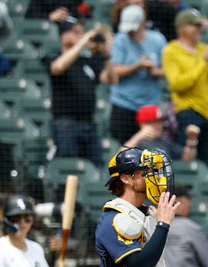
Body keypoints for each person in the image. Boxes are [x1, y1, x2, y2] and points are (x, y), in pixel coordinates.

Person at [162, 8, 208, 169]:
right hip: (187, 111)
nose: (199, 29)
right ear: (182, 28)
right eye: (195, 25)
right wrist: (202, 62)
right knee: (185, 159)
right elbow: (178, 85)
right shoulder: (171, 51)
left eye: (200, 26)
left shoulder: (201, 48)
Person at [45, 17, 110, 164]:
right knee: (69, 167)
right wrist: (82, 43)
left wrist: (106, 55)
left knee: (96, 166)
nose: (80, 35)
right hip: (66, 124)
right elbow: (57, 68)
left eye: (81, 32)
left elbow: (110, 79)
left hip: (89, 124)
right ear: (63, 36)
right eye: (75, 32)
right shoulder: (54, 57)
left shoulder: (88, 62)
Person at [108, 4, 167, 144]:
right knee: (124, 151)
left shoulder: (157, 40)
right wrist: (137, 66)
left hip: (149, 108)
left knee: (149, 150)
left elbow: (169, 71)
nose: (130, 32)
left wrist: (154, 71)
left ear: (143, 23)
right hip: (124, 105)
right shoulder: (120, 40)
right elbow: (114, 71)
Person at [125, 104, 199, 161]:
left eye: (159, 121)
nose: (159, 125)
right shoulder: (136, 143)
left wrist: (192, 140)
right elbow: (117, 159)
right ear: (142, 124)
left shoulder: (164, 142)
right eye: (154, 122)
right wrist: (138, 136)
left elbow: (187, 158)